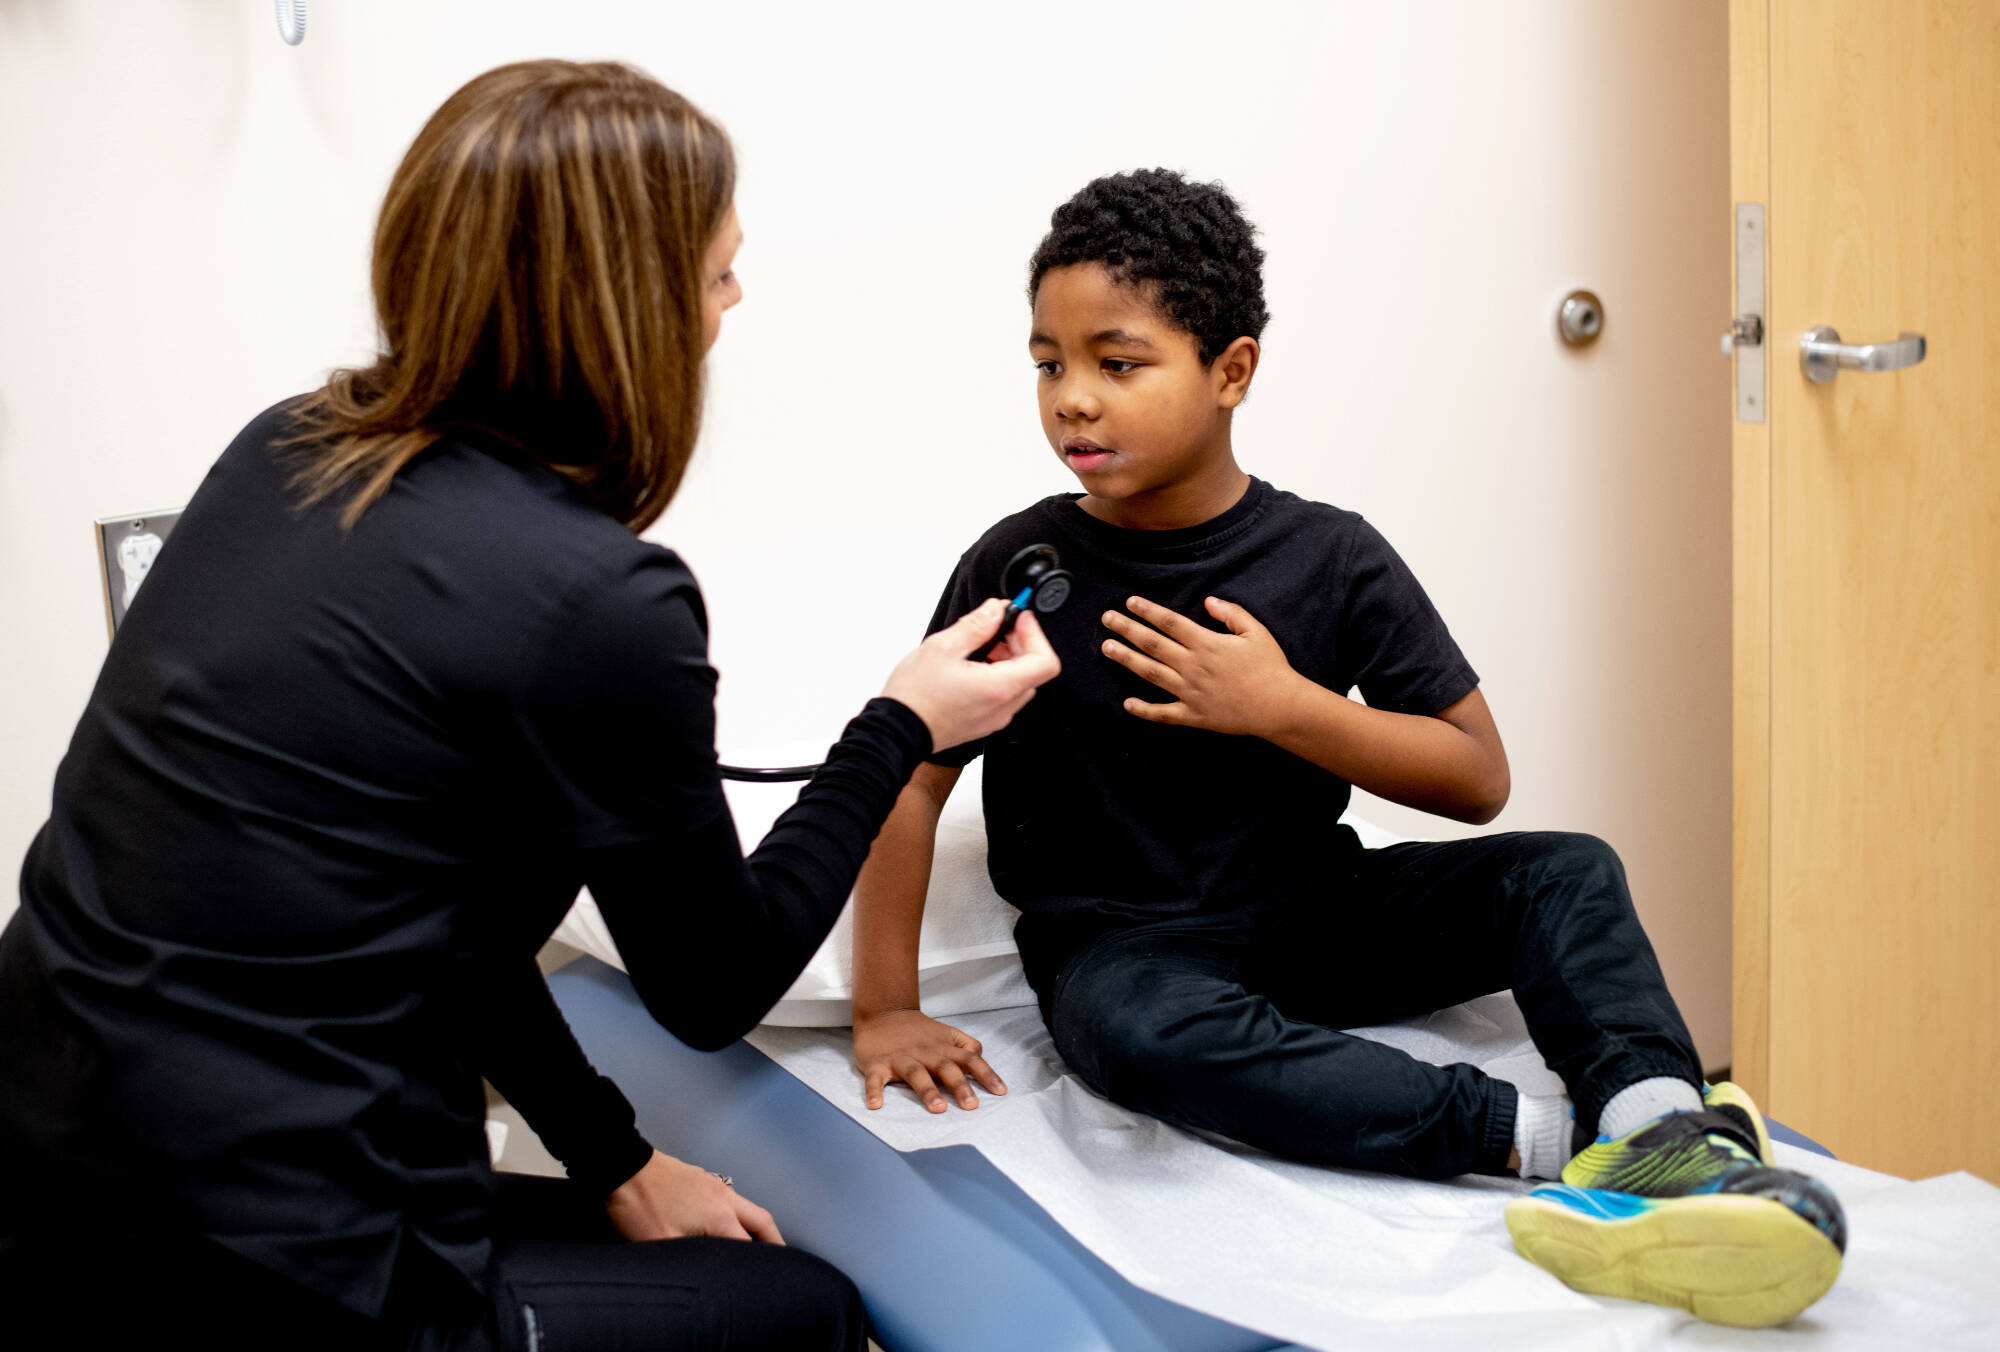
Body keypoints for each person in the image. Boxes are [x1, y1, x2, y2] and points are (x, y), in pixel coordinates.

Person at [0, 61, 1057, 1351]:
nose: (735, 300)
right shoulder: (598, 598)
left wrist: (613, 1159)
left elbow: (426, 921)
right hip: (268, 1257)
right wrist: (900, 723)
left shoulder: (292, 446)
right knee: (808, 1312)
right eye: (720, 271)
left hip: (57, 1164)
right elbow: (713, 981)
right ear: (629, 308)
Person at [848, 168, 1848, 1329]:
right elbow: (911, 777)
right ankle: (1561, 1145)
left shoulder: (1327, 555)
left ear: (1231, 371)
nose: (1071, 398)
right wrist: (882, 1005)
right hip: (1124, 952)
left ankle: (1663, 1121)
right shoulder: (1017, 566)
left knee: (1561, 868)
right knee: (1130, 1032)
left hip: (1316, 912)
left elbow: (1474, 776)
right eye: (1046, 363)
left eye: (1116, 364)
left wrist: (1279, 704)